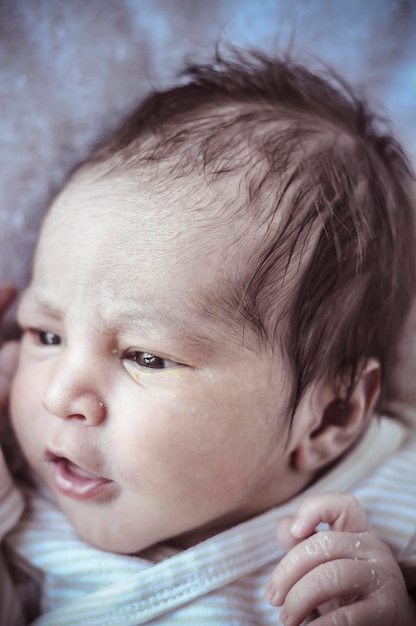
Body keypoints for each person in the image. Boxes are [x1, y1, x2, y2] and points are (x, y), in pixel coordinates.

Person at [0, 50, 416, 625]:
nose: (59, 396)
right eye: (47, 336)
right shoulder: (23, 509)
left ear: (331, 415)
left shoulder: (393, 513)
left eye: (146, 356)